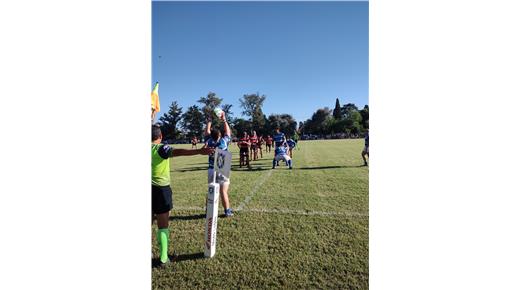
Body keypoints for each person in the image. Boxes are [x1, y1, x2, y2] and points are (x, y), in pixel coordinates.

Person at [152, 125, 214, 266]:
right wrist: (199, 151)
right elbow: (178, 151)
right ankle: (163, 258)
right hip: (161, 190)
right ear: (160, 136)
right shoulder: (161, 148)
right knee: (163, 226)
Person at [202, 112, 234, 217]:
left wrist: (209, 121)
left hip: (211, 169)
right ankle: (227, 211)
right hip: (222, 168)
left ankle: (208, 211)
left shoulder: (208, 140)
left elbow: (206, 131)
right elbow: (228, 132)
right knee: (223, 191)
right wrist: (224, 119)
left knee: (211, 191)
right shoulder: (224, 142)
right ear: (220, 135)